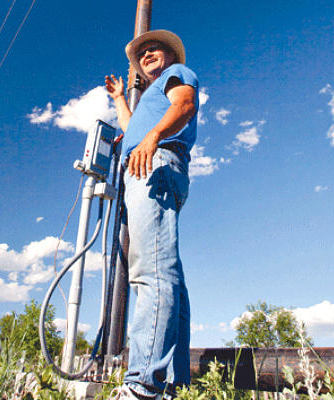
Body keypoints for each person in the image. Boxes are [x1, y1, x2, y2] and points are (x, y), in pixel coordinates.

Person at [105, 30, 199, 399]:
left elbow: (185, 105)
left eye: (153, 48)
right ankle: (174, 383)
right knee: (166, 271)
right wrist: (118, 100)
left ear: (170, 55)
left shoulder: (178, 76)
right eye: (141, 52)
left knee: (151, 271)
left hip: (156, 163)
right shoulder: (149, 100)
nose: (146, 54)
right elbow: (133, 129)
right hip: (145, 163)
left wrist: (152, 137)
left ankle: (144, 384)